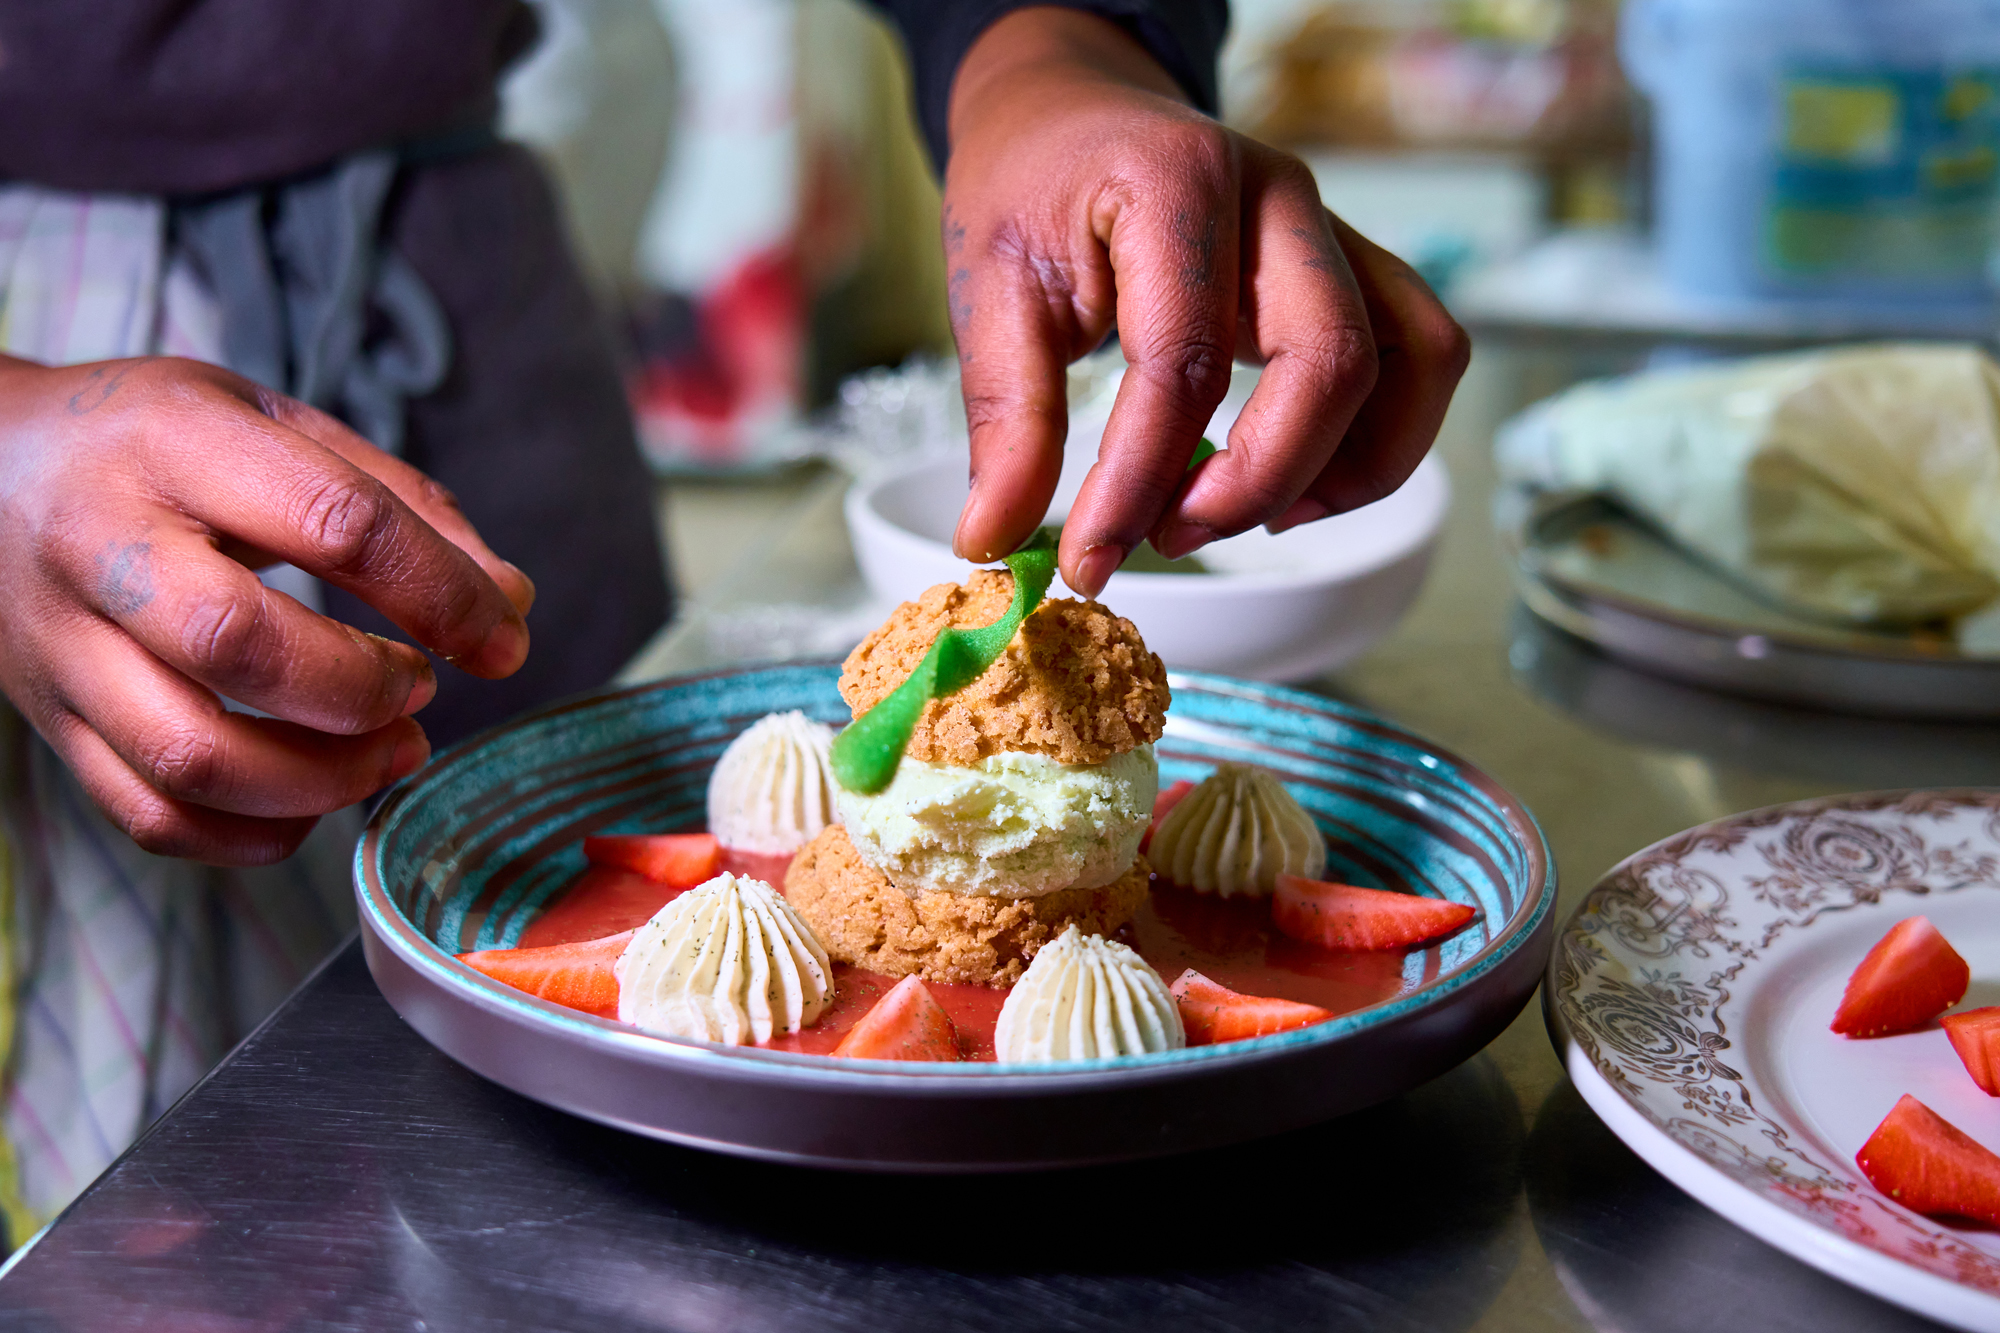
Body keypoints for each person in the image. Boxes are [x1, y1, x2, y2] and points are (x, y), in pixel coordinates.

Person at [0, 0, 1466, 1235]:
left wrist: (1061, 45)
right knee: (227, 1190)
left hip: (468, 302)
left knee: (588, 1161)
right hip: (43, 389)